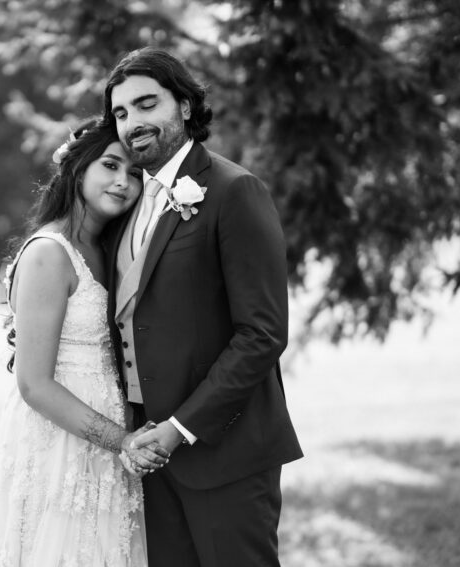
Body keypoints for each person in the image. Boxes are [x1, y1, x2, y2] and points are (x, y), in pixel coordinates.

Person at [102, 48, 304, 567]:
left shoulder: (234, 191)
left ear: (186, 106)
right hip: (147, 455)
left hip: (224, 453)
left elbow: (262, 334)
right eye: (121, 113)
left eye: (147, 104)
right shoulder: (126, 205)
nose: (132, 123)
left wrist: (180, 427)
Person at [0, 118, 169, 567]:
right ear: (78, 168)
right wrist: (120, 441)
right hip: (59, 442)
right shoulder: (50, 252)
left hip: (110, 441)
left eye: (135, 175)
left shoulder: (110, 250)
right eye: (110, 165)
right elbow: (34, 384)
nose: (123, 182)